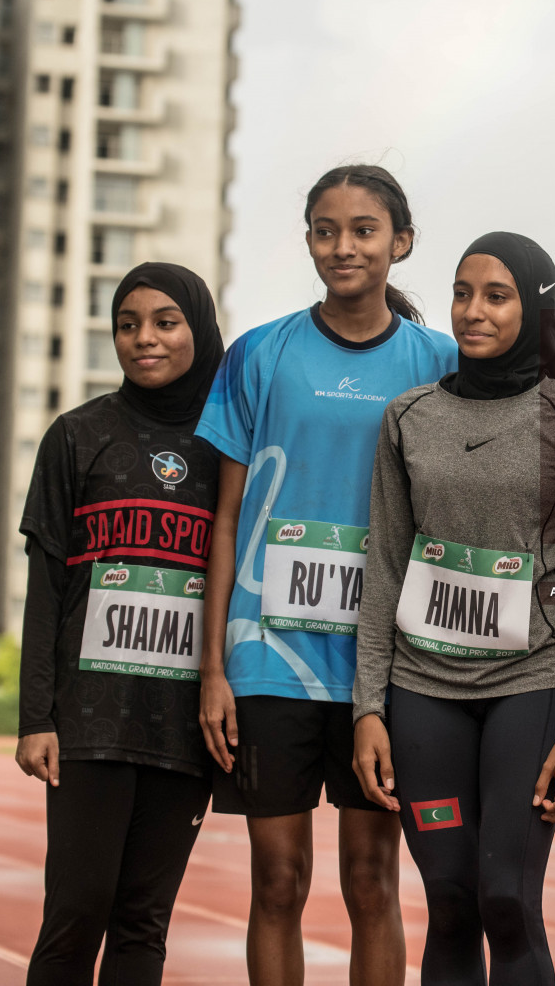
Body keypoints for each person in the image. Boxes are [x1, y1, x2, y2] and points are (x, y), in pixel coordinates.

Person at [195, 165, 456, 985]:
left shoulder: (440, 361)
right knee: (277, 882)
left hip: (383, 665)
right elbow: (227, 518)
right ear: (308, 238)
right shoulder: (258, 355)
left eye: (364, 230)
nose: (343, 247)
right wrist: (212, 670)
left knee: (373, 883)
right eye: (325, 230)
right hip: (268, 659)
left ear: (400, 243)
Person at [351, 231, 555, 985]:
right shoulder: (408, 418)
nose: (472, 311)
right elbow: (388, 564)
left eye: (495, 296)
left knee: (507, 899)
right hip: (422, 690)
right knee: (452, 898)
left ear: (532, 308)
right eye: (463, 293)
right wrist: (370, 706)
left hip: (530, 685)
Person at [16, 262, 224, 985]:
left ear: (198, 326)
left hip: (183, 725)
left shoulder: (230, 445)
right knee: (75, 911)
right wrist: (34, 716)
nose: (145, 339)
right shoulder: (78, 436)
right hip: (89, 721)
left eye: (166, 322)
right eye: (128, 324)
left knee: (143, 922)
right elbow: (46, 587)